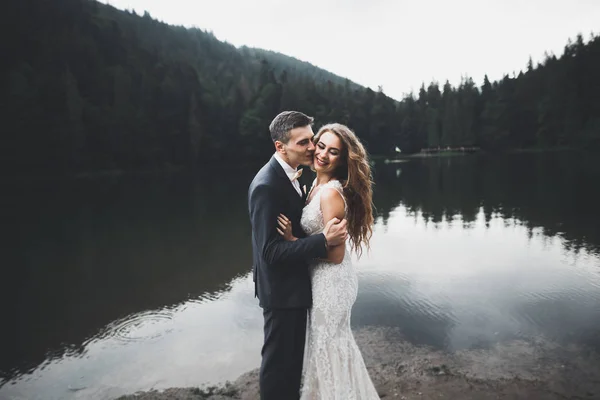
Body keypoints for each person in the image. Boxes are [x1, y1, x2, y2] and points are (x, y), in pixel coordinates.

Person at [247, 111, 349, 400]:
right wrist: (321, 240)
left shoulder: (291, 176)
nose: (312, 148)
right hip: (281, 292)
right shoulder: (267, 186)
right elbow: (269, 252)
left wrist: (299, 238)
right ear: (281, 147)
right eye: (304, 142)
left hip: (291, 288)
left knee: (290, 368)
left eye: (312, 140)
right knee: (279, 367)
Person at [277, 123, 380, 399]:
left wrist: (292, 243)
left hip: (332, 282)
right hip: (321, 278)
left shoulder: (331, 194)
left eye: (333, 152)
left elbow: (335, 255)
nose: (323, 154)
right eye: (321, 146)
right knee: (329, 346)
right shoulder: (313, 187)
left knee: (328, 346)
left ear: (342, 160)